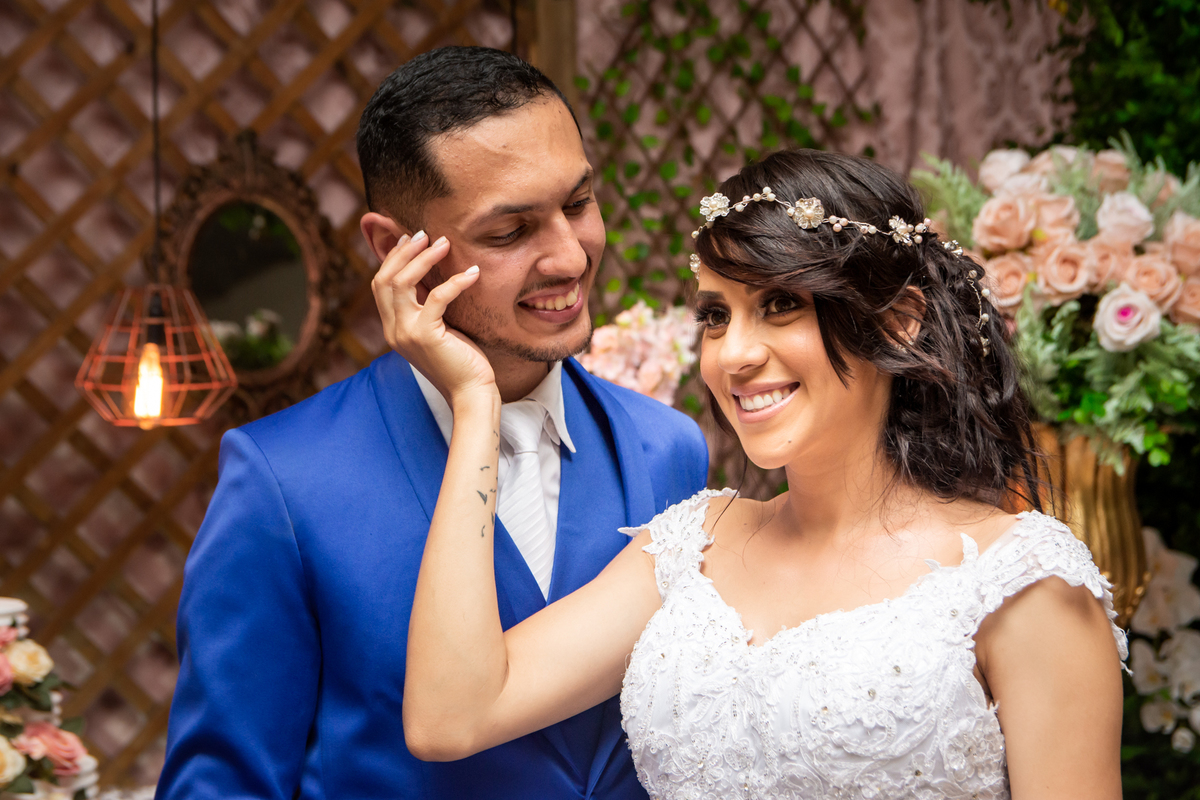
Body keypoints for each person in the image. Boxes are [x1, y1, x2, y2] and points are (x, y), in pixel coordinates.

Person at [384, 149, 1128, 800]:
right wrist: (475, 403)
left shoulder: (1020, 582)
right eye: (716, 315)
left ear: (898, 320)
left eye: (780, 305)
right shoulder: (692, 547)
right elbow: (451, 716)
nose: (733, 355)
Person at [155, 47, 708, 800]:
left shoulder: (668, 448)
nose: (568, 258)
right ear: (395, 248)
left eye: (578, 204)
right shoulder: (282, 481)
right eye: (510, 232)